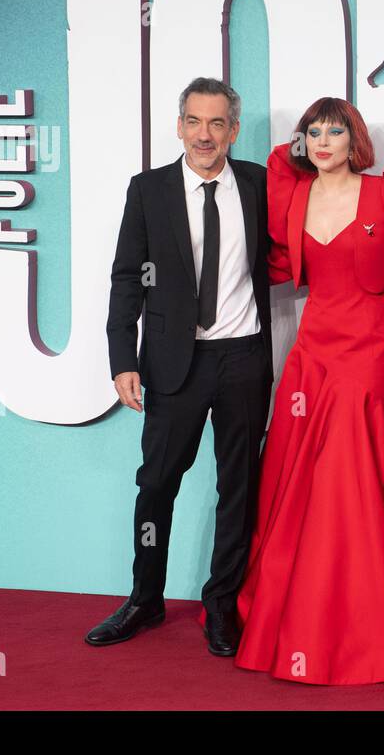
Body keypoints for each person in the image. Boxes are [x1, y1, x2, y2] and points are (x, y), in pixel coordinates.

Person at [234, 97, 384, 685]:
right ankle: (305, 611)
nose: (322, 141)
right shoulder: (292, 196)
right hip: (313, 345)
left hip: (371, 342)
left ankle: (367, 624)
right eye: (313, 132)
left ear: (356, 141)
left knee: (351, 461)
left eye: (335, 131)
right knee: (302, 468)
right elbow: (273, 259)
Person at [86, 77, 272, 658]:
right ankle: (145, 597)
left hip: (244, 357)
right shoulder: (149, 191)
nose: (205, 134)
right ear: (179, 126)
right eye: (194, 121)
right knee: (157, 483)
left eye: (217, 123)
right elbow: (125, 277)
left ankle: (221, 607)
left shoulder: (262, 186)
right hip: (173, 362)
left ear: (233, 130)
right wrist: (122, 359)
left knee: (237, 489)